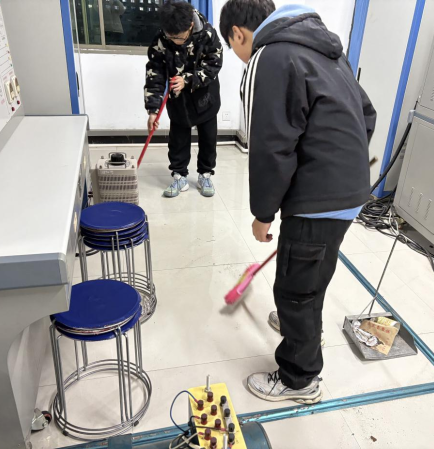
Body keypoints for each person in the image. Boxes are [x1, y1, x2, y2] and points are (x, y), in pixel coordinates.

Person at [220, 0, 376, 404]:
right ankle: (303, 327)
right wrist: (345, 167)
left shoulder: (270, 56)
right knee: (312, 273)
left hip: (317, 197)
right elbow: (366, 113)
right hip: (347, 191)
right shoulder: (325, 47)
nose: (241, 57)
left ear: (238, 33)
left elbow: (271, 147)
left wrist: (262, 213)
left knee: (293, 289)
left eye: (234, 48)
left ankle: (298, 378)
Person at [145, 1, 223, 198]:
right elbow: (154, 73)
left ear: (190, 26)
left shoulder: (207, 34)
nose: (174, 41)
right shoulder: (162, 38)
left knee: (208, 139)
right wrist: (153, 110)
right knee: (178, 140)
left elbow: (214, 64)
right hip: (178, 100)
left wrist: (188, 79)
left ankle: (205, 174)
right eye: (170, 37)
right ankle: (179, 175)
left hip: (205, 97)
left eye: (178, 37)